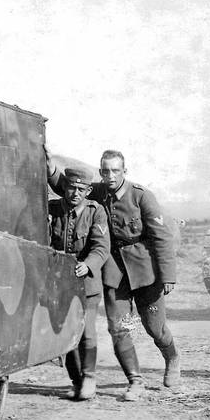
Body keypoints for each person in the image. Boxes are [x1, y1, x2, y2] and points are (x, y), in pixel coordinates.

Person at [48, 149, 178, 400]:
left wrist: (168, 276)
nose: (110, 176)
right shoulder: (97, 191)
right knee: (118, 328)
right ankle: (135, 381)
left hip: (145, 271)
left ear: (124, 171)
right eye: (105, 171)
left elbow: (162, 237)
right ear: (101, 172)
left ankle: (171, 357)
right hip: (114, 272)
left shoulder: (141, 196)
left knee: (155, 328)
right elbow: (67, 186)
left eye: (115, 171)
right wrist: (50, 167)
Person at [47, 167, 110, 399]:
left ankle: (90, 377)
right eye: (71, 187)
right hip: (59, 282)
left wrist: (88, 264)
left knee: (86, 331)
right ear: (65, 187)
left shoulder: (96, 211)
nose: (75, 193)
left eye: (81, 189)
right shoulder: (52, 209)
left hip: (87, 283)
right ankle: (76, 380)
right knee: (65, 333)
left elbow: (101, 247)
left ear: (88, 191)